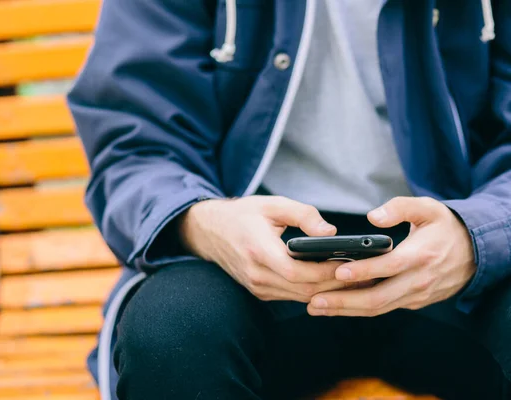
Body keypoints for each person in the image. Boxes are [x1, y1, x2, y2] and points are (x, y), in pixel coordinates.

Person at [67, 0, 511, 399]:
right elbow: (136, 143)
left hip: (455, 248)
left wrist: (479, 236)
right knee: (171, 333)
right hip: (250, 251)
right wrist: (204, 224)